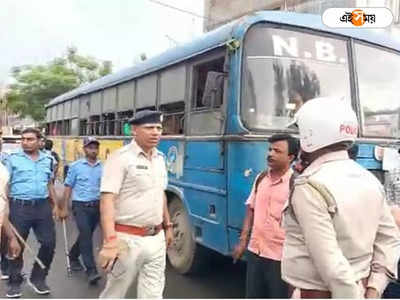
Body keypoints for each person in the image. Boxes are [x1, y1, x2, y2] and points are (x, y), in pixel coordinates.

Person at [281, 97, 400, 298]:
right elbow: (389, 241)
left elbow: (330, 262)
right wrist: (373, 290)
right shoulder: (369, 179)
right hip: (362, 289)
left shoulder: (310, 186)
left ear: (311, 135)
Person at [98, 110, 174, 298]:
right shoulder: (120, 158)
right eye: (149, 128)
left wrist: (168, 225)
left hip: (156, 238)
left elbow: (160, 193)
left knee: (153, 293)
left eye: (159, 128)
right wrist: (110, 242)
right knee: (115, 292)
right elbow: (107, 201)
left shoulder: (160, 158)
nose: (156, 132)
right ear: (134, 130)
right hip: (127, 239)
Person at [232, 134, 299, 298]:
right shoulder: (261, 178)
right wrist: (242, 241)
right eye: (270, 149)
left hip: (280, 258)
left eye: (277, 151)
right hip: (255, 252)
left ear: (290, 157)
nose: (270, 154)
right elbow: (251, 209)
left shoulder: (297, 184)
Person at [2, 128, 61, 298]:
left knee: (49, 243)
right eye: (23, 139)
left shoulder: (48, 159)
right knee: (15, 246)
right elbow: (5, 185)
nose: (25, 142)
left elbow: (49, 183)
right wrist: (5, 208)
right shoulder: (12, 159)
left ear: (39, 141)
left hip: (42, 206)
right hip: (18, 206)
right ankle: (14, 282)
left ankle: (38, 278)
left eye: (30, 139)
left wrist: (55, 205)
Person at [59, 136, 102, 284]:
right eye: (90, 147)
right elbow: (68, 187)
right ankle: (91, 271)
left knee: (86, 235)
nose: (93, 150)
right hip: (80, 206)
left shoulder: (103, 167)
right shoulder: (75, 166)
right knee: (86, 235)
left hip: (97, 206)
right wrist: (64, 208)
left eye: (95, 147)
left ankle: (73, 255)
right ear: (84, 149)